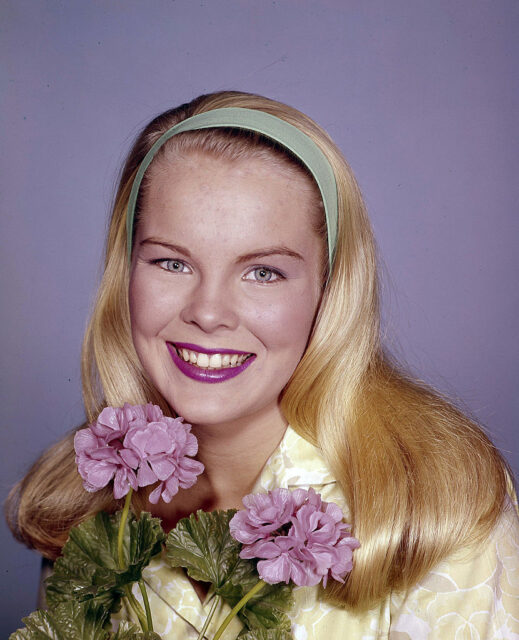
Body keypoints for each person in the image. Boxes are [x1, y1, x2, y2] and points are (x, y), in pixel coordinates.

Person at [5, 91, 519, 638]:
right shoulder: (81, 502)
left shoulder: (438, 507)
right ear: (127, 271)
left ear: (329, 290)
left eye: (263, 272)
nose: (208, 313)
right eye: (172, 263)